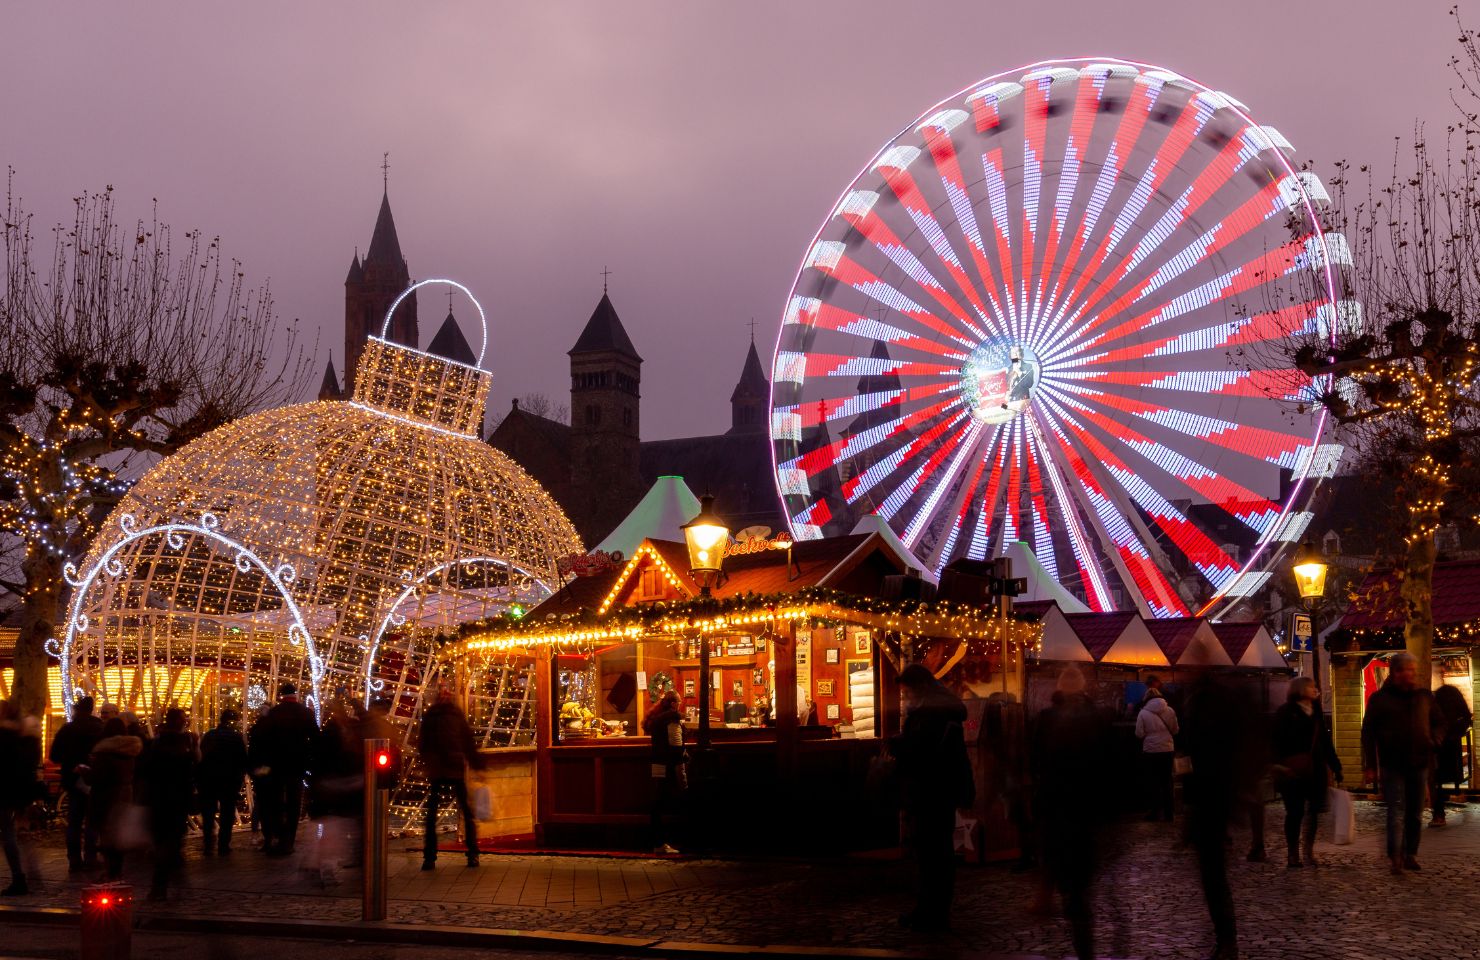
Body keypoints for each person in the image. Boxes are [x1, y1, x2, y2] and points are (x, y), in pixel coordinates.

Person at [1032, 666, 1113, 960]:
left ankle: (1076, 932)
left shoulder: (1046, 720)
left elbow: (1037, 761)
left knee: (1071, 883)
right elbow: (1109, 765)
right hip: (1087, 809)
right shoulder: (1098, 719)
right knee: (1080, 886)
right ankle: (1084, 945)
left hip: (1059, 807)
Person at [888, 664, 973, 934]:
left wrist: (898, 745)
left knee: (933, 853)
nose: (906, 696)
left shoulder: (932, 713)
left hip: (932, 790)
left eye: (907, 691)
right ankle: (930, 909)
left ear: (918, 688)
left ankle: (932, 913)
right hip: (938, 790)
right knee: (934, 852)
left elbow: (924, 751)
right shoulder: (941, 710)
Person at [1182, 670, 1262, 960]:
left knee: (1214, 876)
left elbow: (1198, 753)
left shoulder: (1207, 703)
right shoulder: (1204, 701)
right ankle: (1224, 938)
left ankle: (1226, 940)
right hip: (1212, 798)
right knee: (1213, 876)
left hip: (1213, 798)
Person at [1362, 652, 1443, 873]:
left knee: (1415, 812)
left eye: (1411, 670)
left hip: (1419, 761)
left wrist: (1434, 739)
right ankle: (1395, 856)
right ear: (1394, 672)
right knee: (1396, 811)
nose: (1408, 674)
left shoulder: (1424, 697)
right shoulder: (1380, 699)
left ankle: (1411, 853)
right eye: (1403, 670)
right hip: (1392, 763)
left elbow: (1438, 722)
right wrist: (1370, 765)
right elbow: (1368, 732)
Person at [1271, 677, 1341, 869]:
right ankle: (1293, 852)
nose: (1315, 689)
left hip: (1315, 770)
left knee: (1313, 812)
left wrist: (1335, 765)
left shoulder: (1316, 712)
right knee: (1294, 812)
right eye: (1311, 686)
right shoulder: (1286, 712)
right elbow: (1276, 740)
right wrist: (1279, 764)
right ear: (1301, 689)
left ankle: (1308, 850)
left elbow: (1325, 742)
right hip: (1292, 770)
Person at [418, 684, 482, 870]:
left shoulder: (435, 715)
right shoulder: (450, 715)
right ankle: (470, 853)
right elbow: (466, 740)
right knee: (458, 813)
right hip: (448, 768)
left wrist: (427, 762)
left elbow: (424, 742)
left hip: (444, 769)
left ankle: (432, 856)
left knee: (435, 814)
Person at [251, 683, 318, 856]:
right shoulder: (306, 713)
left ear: (281, 695)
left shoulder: (275, 713)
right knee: (294, 802)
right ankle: (290, 840)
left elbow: (261, 737)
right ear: (295, 695)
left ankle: (281, 836)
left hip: (277, 765)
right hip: (298, 765)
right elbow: (316, 737)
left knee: (277, 802)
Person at [141, 708, 197, 900]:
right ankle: (165, 883)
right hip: (175, 800)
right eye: (184, 719)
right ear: (179, 722)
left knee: (164, 841)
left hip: (157, 799)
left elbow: (145, 771)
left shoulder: (154, 745)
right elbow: (194, 768)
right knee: (171, 842)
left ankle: (166, 883)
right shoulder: (183, 746)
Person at [48, 695, 104, 872]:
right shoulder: (101, 729)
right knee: (93, 820)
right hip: (94, 779)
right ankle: (91, 857)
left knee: (74, 821)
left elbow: (54, 755)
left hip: (72, 780)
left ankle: (74, 859)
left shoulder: (67, 729)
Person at [89, 717, 144, 880]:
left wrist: (85, 771)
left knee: (107, 834)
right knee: (118, 833)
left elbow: (97, 777)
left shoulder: (105, 752)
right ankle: (116, 870)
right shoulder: (130, 750)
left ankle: (110, 871)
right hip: (125, 794)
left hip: (106, 795)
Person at [0, 701, 41, 895]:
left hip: (4, 790)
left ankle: (19, 877)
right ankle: (30, 871)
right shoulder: (26, 736)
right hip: (21, 790)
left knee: (8, 834)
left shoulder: (3, 735)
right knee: (19, 832)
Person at [198, 709, 249, 856]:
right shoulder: (236, 737)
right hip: (229, 780)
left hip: (209, 779)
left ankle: (208, 844)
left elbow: (201, 757)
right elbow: (242, 760)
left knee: (208, 813)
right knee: (227, 812)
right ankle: (223, 844)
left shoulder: (209, 735)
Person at [642, 689, 686, 855]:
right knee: (668, 801)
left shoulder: (657, 719)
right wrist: (681, 769)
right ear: (674, 704)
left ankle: (658, 842)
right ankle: (663, 842)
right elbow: (676, 745)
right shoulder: (672, 718)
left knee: (658, 800)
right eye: (679, 702)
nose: (680, 705)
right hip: (669, 765)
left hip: (657, 764)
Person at [1134, 689, 1179, 822]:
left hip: (1151, 751)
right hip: (1167, 749)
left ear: (1146, 698)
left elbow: (1139, 733)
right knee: (1167, 781)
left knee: (1154, 782)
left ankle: (1154, 812)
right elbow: (1175, 730)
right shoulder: (1170, 710)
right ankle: (1169, 813)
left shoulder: (1143, 712)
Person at [1431, 683, 1471, 827]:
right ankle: (1439, 810)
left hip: (1438, 743)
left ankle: (1438, 812)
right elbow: (1467, 717)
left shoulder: (1435, 700)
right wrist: (1456, 733)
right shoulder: (1455, 698)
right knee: (1443, 777)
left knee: (1437, 777)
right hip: (1450, 743)